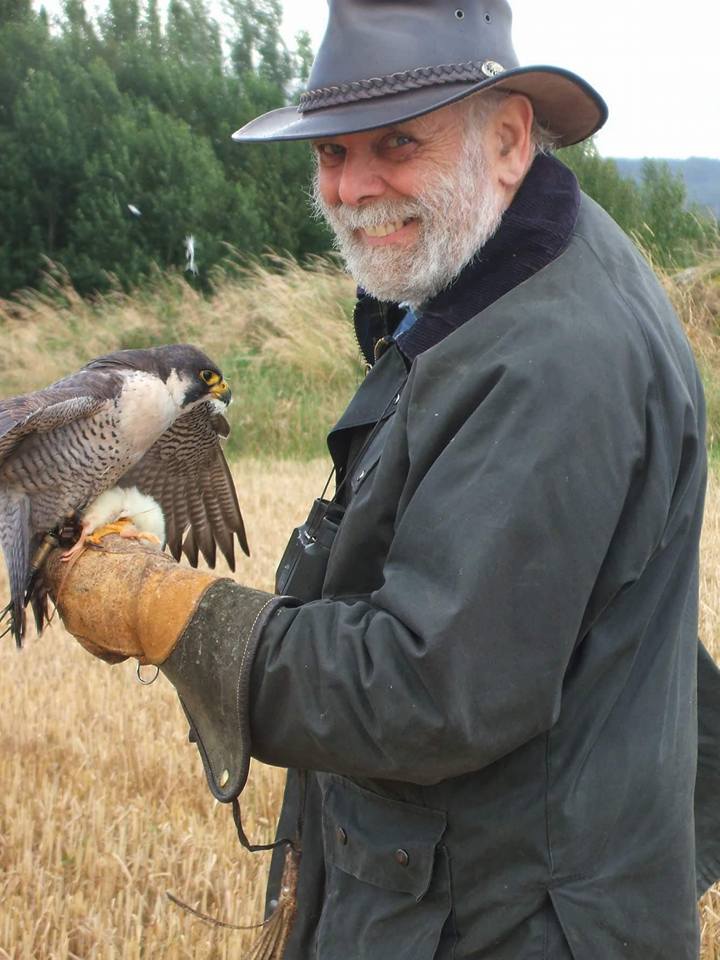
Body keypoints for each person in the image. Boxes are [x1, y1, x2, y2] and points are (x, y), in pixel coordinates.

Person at [45, 1, 720, 958]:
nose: (353, 188)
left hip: (513, 924)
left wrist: (170, 612)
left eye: (397, 144)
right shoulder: (497, 275)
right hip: (466, 887)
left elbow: (431, 691)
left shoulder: (555, 364)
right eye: (330, 153)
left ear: (509, 139)